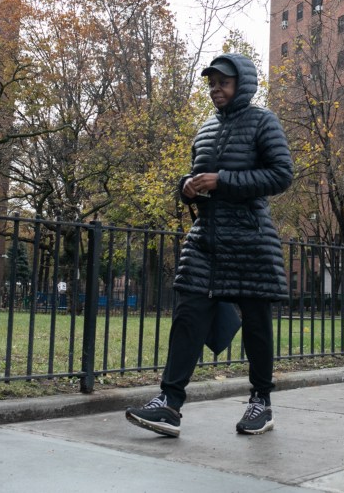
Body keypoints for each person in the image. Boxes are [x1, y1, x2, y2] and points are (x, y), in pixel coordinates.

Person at [125, 53, 293, 437]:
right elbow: (198, 176)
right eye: (212, 83)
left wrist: (222, 181)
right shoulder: (203, 129)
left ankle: (260, 403)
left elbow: (282, 175)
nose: (216, 89)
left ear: (242, 85)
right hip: (206, 238)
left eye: (224, 82)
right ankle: (168, 403)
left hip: (250, 237)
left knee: (256, 325)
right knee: (187, 315)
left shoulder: (263, 121)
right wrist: (186, 186)